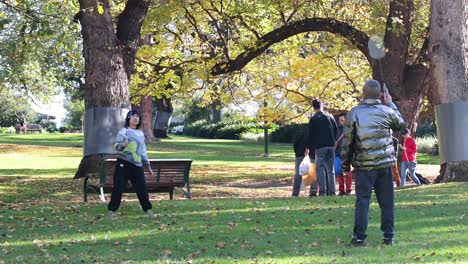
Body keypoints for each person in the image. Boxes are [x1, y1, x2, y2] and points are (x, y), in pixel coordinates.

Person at [341, 80, 405, 246]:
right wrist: (390, 103)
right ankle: (388, 237)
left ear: (363, 94)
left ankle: (359, 237)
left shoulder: (354, 113)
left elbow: (348, 142)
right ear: (381, 95)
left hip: (364, 166)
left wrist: (345, 165)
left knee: (362, 201)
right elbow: (401, 125)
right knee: (387, 202)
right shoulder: (387, 111)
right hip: (384, 165)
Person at [108, 110, 154, 218]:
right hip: (123, 163)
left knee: (141, 187)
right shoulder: (123, 131)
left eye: (137, 116)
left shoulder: (141, 133)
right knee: (118, 187)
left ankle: (147, 209)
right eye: (133, 116)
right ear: (128, 119)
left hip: (137, 165)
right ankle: (111, 211)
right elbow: (116, 147)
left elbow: (143, 150)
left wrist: (147, 165)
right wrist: (122, 145)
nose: (136, 118)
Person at [306, 98, 338, 196]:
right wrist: (334, 141)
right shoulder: (330, 116)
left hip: (320, 147)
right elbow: (336, 129)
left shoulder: (313, 118)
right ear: (322, 105)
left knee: (320, 169)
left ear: (313, 107)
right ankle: (332, 191)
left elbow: (310, 134)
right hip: (331, 146)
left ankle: (323, 191)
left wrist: (309, 147)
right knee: (331, 169)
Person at [335, 112, 352, 196]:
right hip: (338, 153)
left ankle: (348, 189)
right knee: (339, 173)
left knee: (348, 172)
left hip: (347, 153)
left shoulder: (350, 129)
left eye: (342, 120)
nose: (341, 122)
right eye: (340, 121)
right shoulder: (337, 130)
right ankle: (341, 190)